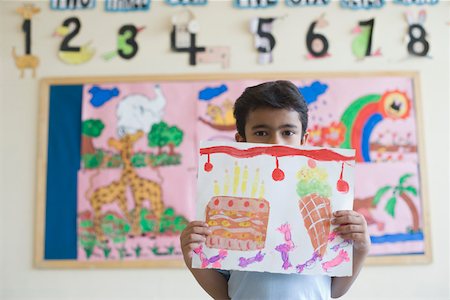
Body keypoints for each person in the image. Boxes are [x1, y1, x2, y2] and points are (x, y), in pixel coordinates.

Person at [180, 80, 371, 299]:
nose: (275, 143)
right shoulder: (230, 200)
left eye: (288, 132)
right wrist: (192, 256)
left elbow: (334, 292)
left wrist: (361, 247)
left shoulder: (323, 197)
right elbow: (225, 295)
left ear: (303, 140)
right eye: (261, 133)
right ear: (241, 141)